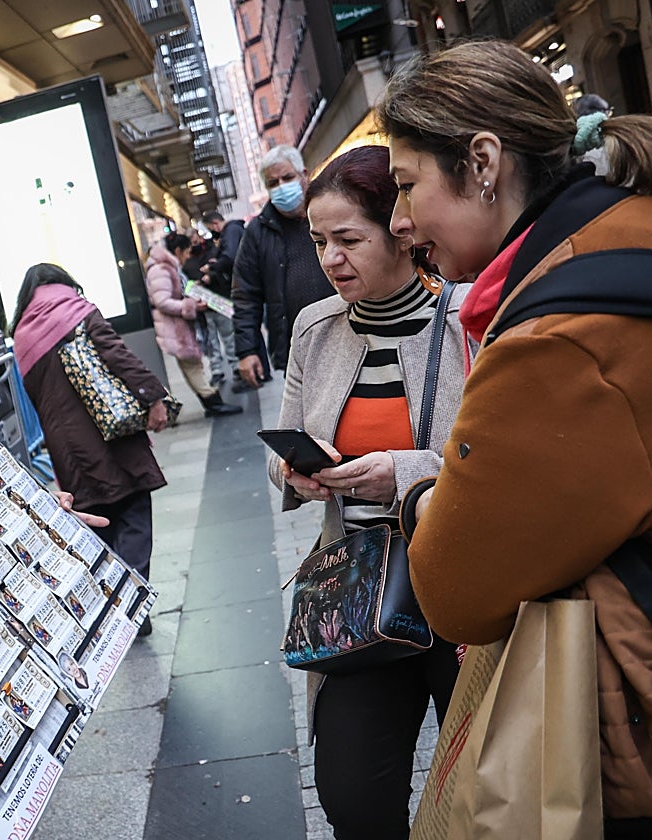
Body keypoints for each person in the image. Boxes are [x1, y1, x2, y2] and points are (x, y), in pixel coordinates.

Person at [380, 39, 652, 834]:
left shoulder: (555, 341)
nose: (400, 223)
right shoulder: (636, 227)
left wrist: (428, 494)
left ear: (482, 162)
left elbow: (455, 593)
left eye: (407, 188)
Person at [266, 145, 468, 840]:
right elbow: (288, 437)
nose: (330, 258)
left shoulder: (470, 322)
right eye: (320, 241)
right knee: (352, 794)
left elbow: (503, 461)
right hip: (360, 588)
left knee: (480, 784)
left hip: (464, 590)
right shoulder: (313, 330)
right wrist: (294, 471)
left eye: (349, 239)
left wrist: (405, 473)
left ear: (402, 229)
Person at [11, 262, 174, 635]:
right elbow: (117, 355)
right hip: (108, 437)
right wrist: (153, 396)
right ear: (65, 283)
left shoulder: (23, 333)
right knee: (132, 513)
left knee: (98, 524)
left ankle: (109, 605)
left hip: (67, 450)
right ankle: (133, 609)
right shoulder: (76, 311)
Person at [232, 145, 334, 390]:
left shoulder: (331, 213)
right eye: (273, 182)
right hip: (296, 347)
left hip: (348, 331)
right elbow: (246, 295)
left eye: (287, 178)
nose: (281, 187)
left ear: (304, 174)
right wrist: (246, 350)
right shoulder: (257, 232)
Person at [142, 235, 243, 416]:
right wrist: (191, 306)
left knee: (193, 364)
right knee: (192, 365)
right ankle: (213, 404)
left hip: (180, 327)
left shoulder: (168, 266)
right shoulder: (161, 269)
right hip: (175, 329)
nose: (188, 256)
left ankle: (213, 402)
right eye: (187, 252)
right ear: (178, 250)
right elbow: (162, 301)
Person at [199, 210, 242, 385]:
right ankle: (229, 368)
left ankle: (236, 367)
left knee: (227, 335)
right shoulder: (225, 239)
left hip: (219, 299)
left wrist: (212, 272)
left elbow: (228, 259)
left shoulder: (227, 236)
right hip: (214, 300)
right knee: (219, 337)